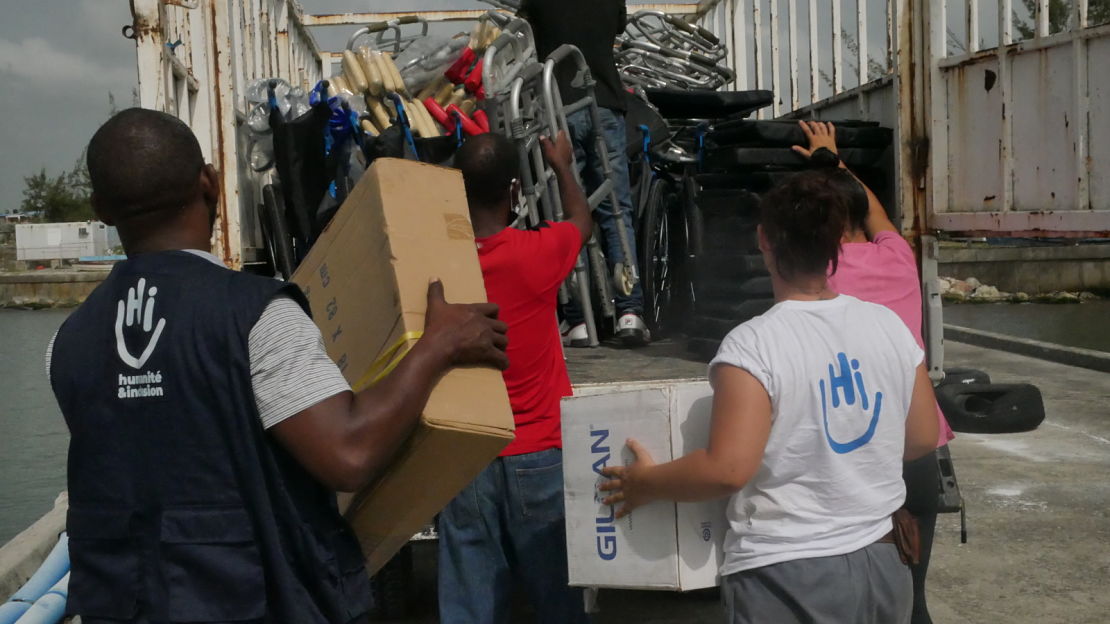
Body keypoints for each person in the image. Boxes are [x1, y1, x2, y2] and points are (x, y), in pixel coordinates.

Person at [47, 108, 509, 623]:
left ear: (101, 210)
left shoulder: (68, 343)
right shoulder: (257, 316)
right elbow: (348, 452)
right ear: (210, 182)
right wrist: (436, 345)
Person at [598, 170, 940, 623]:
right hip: (883, 565)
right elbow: (920, 437)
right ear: (838, 242)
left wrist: (644, 483)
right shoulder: (888, 326)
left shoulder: (754, 344)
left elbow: (727, 469)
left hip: (790, 574)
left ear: (764, 240)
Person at [792, 120, 955, 624]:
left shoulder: (823, 270)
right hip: (921, 450)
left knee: (856, 599)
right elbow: (878, 213)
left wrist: (822, 171)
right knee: (911, 599)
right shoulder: (899, 258)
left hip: (856, 453)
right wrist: (833, 160)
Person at [436, 131, 592, 623]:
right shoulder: (536, 255)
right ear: (513, 192)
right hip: (538, 455)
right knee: (557, 601)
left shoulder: (436, 267)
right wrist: (563, 165)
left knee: (470, 602)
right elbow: (581, 223)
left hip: (464, 455)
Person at [519, 0, 649, 347]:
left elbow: (525, 26)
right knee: (616, 208)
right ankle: (629, 312)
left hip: (555, 104)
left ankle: (578, 319)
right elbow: (618, 26)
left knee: (563, 213)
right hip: (603, 102)